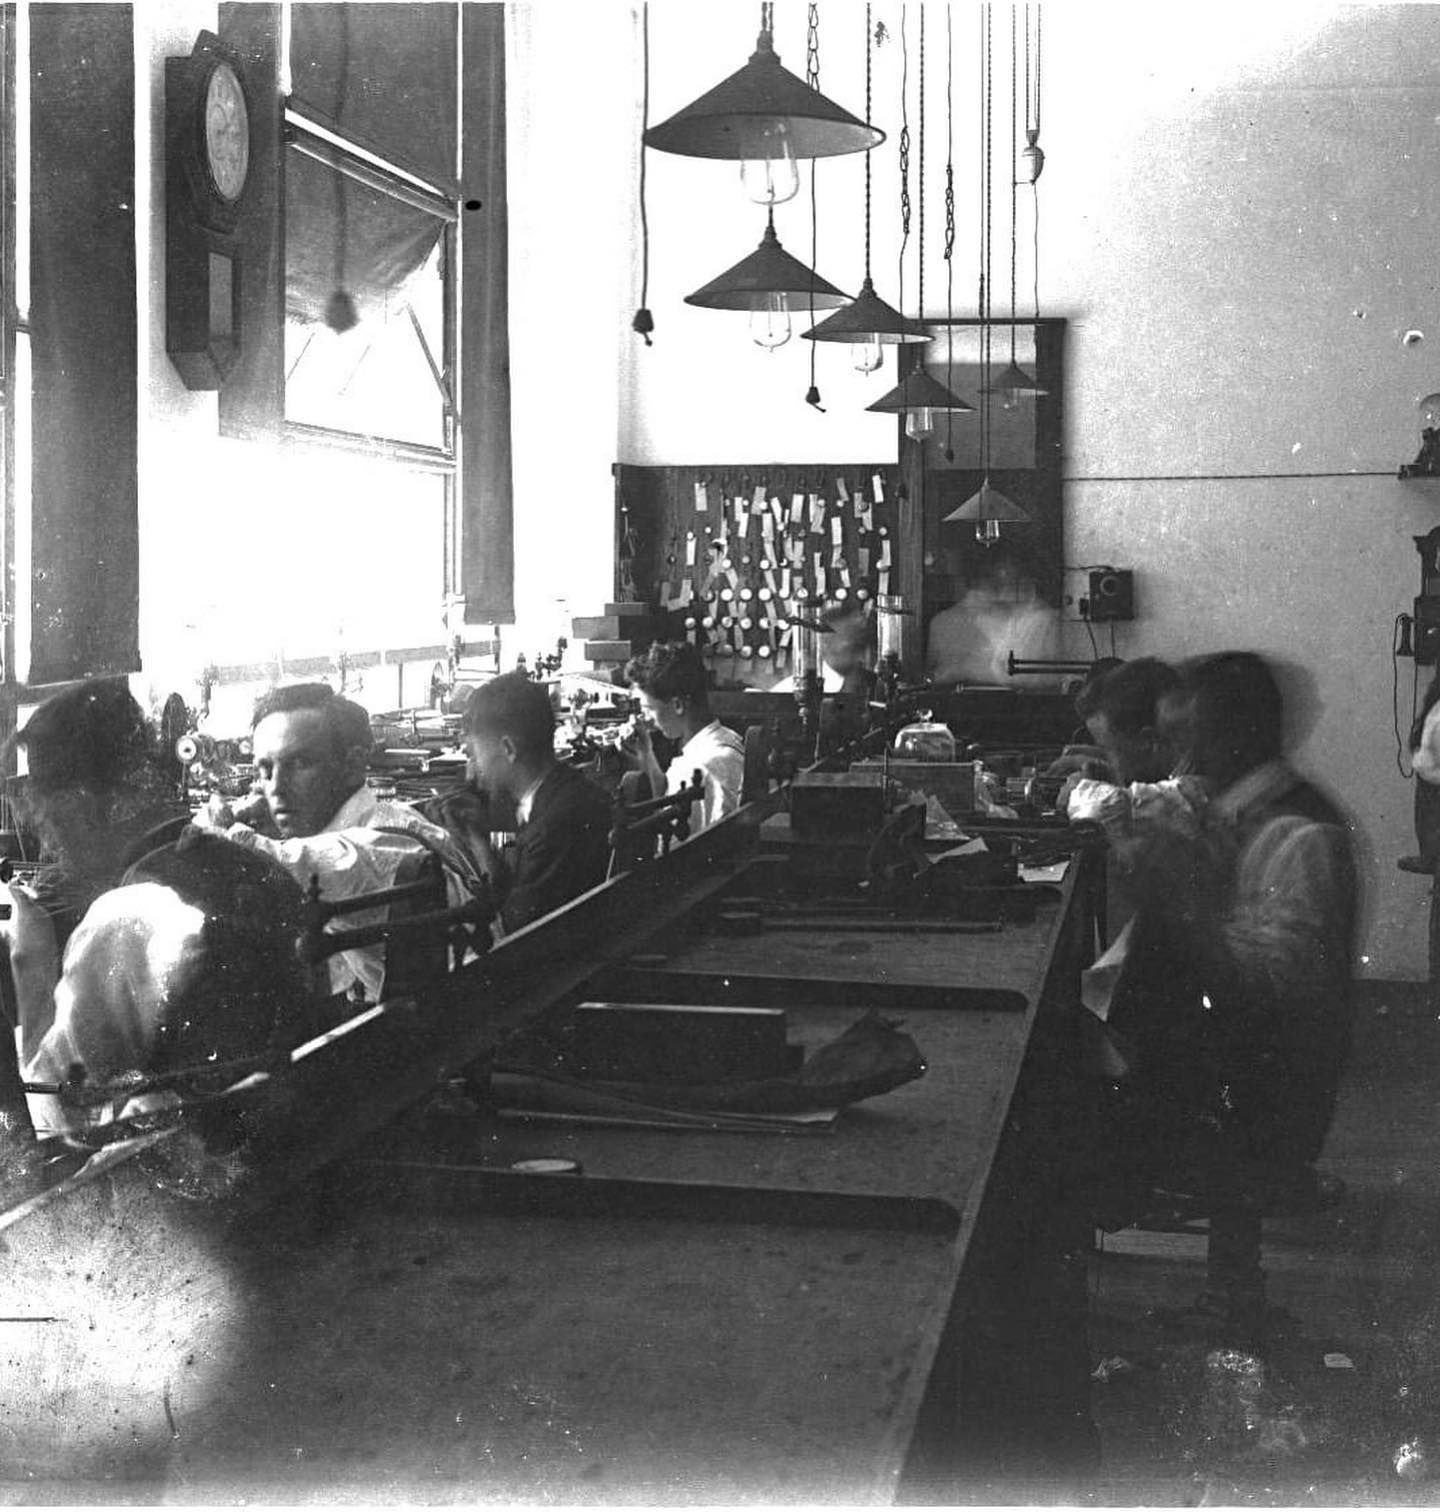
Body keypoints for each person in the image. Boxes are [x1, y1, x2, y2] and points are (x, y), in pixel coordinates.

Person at [1101, 651, 1358, 1336]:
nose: (1171, 756)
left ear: (1239, 736)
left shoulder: (1298, 834)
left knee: (1057, 1091)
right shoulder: (1233, 814)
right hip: (1241, 1070)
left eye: (1185, 739)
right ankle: (1228, 1291)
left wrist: (1177, 907)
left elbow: (1280, 995)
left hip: (1271, 1093)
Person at [4, 681, 312, 1140]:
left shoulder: (127, 918)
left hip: (207, 1173)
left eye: (49, 822)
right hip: (284, 1132)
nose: (50, 848)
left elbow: (61, 1120)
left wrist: (31, 961)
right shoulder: (254, 864)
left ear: (82, 808)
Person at [197, 682, 482, 1000]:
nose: (275, 788)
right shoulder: (388, 815)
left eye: (299, 764)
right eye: (265, 770)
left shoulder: (371, 848)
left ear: (352, 765)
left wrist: (224, 823)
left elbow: (282, 862)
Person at [450, 673, 610, 935]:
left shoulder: (553, 827)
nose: (472, 762)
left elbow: (511, 931)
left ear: (508, 749)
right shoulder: (570, 791)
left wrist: (476, 847)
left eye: (475, 750)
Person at [624, 640, 744, 832]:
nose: (645, 719)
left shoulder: (701, 767)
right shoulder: (725, 738)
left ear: (678, 705)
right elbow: (665, 798)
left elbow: (674, 841)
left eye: (648, 708)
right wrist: (645, 752)